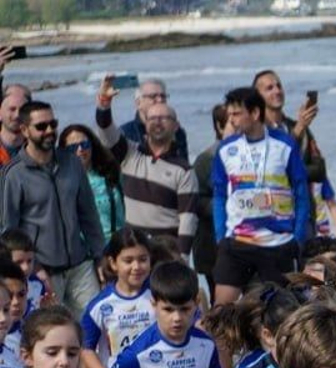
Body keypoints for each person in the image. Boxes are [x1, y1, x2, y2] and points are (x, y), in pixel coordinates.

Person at [1, 101, 105, 315]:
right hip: (42, 271)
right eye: (41, 127)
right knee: (50, 333)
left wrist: (100, 255)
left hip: (80, 266)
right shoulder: (13, 174)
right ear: (24, 130)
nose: (49, 131)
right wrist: (33, 268)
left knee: (96, 323)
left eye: (53, 124)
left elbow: (89, 215)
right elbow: (7, 230)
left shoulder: (72, 163)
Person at [211, 87, 310, 306]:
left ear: (255, 113)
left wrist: (298, 237)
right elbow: (218, 195)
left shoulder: (285, 144)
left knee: (283, 311)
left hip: (278, 242)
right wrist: (220, 237)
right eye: (230, 115)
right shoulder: (226, 149)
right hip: (237, 241)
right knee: (221, 310)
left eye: (237, 114)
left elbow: (301, 193)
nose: (232, 120)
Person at [93, 78, 198, 256]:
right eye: (153, 118)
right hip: (135, 245)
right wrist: (104, 103)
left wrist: (184, 256)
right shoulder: (130, 153)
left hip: (167, 249)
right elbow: (105, 130)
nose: (158, 122)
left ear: (176, 126)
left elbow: (188, 219)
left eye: (164, 118)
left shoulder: (185, 170)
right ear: (145, 124)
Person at [80, 227, 154, 368]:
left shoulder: (160, 297)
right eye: (128, 261)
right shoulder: (99, 305)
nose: (136, 266)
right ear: (113, 263)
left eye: (143, 259)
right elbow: (86, 348)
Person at [59, 124, 123, 240]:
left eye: (84, 144)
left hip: (114, 247)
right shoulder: (58, 182)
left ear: (93, 145)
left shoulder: (112, 173)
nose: (80, 150)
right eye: (73, 147)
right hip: (81, 252)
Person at [192, 103, 228, 296]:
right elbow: (196, 202)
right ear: (219, 126)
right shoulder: (205, 159)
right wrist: (228, 204)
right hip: (211, 247)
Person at [118, 77, 191, 161]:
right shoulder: (125, 133)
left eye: (163, 96)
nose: (160, 100)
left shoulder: (176, 131)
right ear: (138, 103)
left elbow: (183, 164)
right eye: (153, 96)